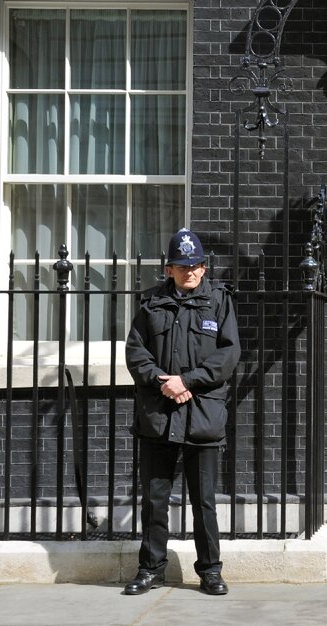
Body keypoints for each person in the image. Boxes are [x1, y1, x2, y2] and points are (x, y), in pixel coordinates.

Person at [122, 228, 241, 596]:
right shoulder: (149, 302)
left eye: (196, 266)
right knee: (155, 500)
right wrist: (163, 382)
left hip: (202, 415)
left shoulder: (219, 302)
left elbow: (228, 354)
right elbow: (135, 351)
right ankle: (151, 569)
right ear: (169, 269)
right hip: (158, 415)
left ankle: (210, 571)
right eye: (181, 266)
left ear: (204, 269)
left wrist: (187, 381)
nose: (189, 272)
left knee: (204, 502)